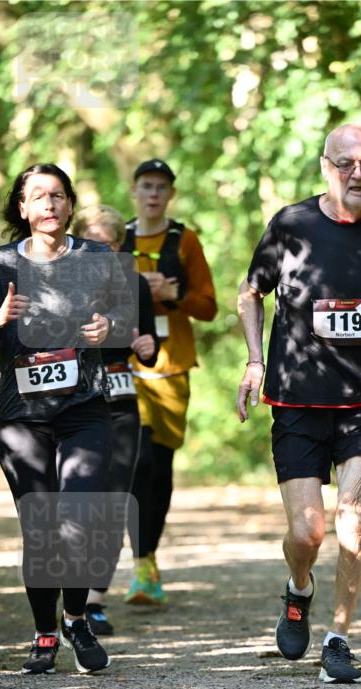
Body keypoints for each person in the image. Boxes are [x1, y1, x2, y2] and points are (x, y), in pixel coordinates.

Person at [237, 124, 361, 684]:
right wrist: (254, 360)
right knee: (308, 534)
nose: (357, 173)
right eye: (345, 163)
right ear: (326, 167)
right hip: (296, 400)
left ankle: (339, 637)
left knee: (355, 523)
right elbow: (251, 292)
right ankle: (299, 589)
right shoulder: (291, 224)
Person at [0, 163, 132, 674]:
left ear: (70, 205)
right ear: (22, 208)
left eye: (58, 195)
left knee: (82, 517)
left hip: (83, 408)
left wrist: (108, 328)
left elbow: (126, 321)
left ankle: (75, 618)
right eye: (38, 197)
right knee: (41, 525)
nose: (49, 204)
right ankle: (45, 632)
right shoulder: (0, 262)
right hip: (21, 416)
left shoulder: (97, 256)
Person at [120, 159, 218, 605]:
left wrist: (173, 294)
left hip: (173, 368)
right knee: (136, 461)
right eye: (146, 186)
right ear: (134, 191)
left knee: (159, 467)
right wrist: (135, 290)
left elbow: (210, 306)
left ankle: (149, 559)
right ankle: (140, 563)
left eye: (161, 187)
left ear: (171, 194)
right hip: (125, 366)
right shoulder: (116, 238)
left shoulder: (185, 240)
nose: (153, 194)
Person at [74, 205, 159, 635]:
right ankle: (69, 594)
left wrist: (146, 347)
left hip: (122, 400)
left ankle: (94, 602)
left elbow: (150, 345)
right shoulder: (63, 284)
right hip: (74, 402)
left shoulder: (135, 283)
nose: (102, 252)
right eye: (93, 243)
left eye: (110, 244)